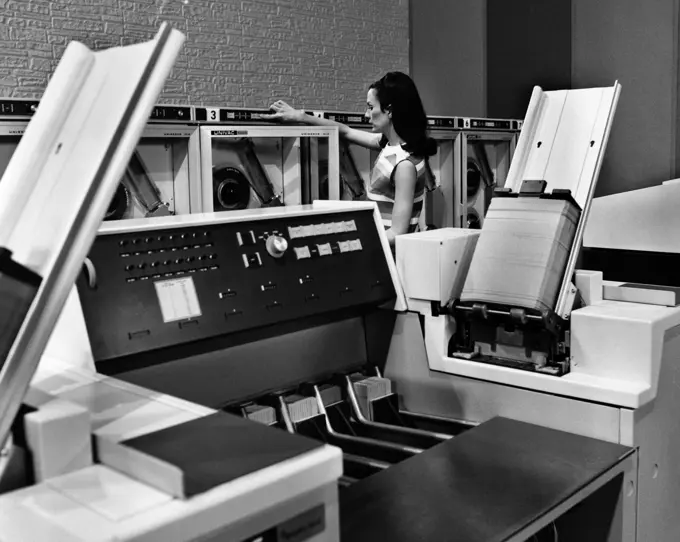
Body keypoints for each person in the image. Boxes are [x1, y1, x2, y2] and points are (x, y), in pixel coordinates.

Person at [264, 71, 437, 246]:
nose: (366, 115)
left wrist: (351, 240)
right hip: (378, 246)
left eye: (370, 107)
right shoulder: (388, 145)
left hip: (388, 258)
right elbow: (346, 131)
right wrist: (300, 117)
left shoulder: (404, 165)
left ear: (389, 110)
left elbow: (398, 232)